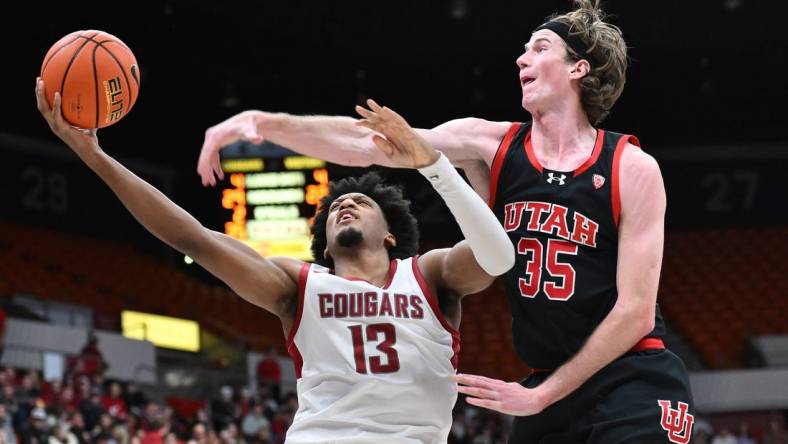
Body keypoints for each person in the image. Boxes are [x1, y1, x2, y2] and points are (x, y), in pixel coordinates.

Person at [196, 1, 695, 442]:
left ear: (578, 68)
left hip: (630, 377)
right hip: (546, 380)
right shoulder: (490, 145)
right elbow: (370, 142)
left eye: (539, 47)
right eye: (522, 49)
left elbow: (636, 313)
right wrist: (264, 125)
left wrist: (541, 396)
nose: (521, 58)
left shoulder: (630, 167)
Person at [35, 78, 514, 443]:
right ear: (325, 248)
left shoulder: (429, 275)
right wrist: (95, 156)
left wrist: (436, 165)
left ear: (391, 235)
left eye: (361, 204)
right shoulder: (299, 284)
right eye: (332, 212)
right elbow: (193, 238)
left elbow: (496, 256)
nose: (345, 206)